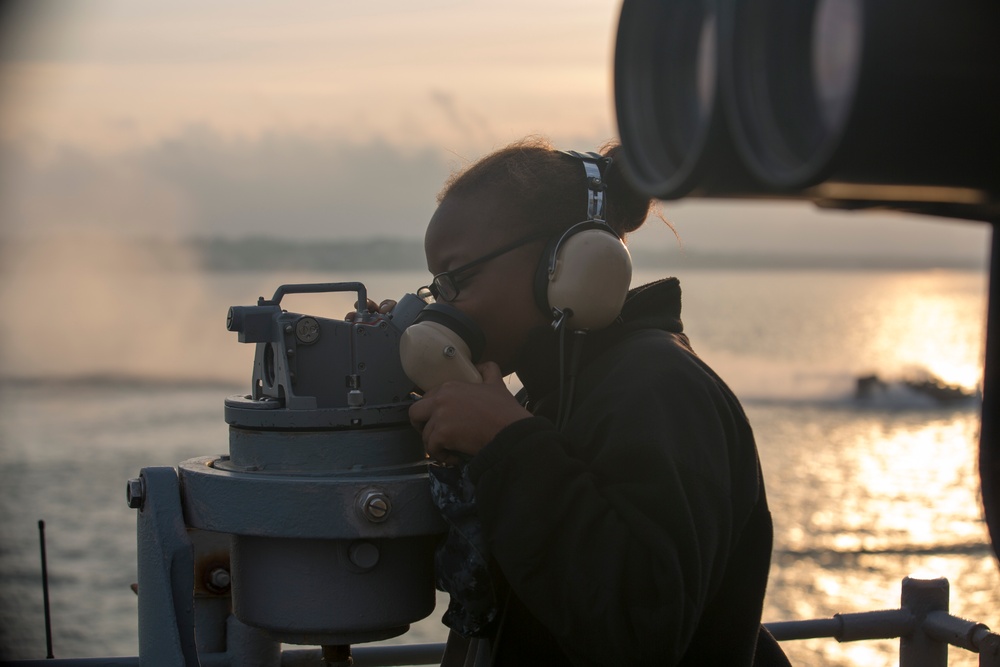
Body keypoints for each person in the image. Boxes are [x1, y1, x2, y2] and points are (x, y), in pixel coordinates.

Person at [402, 137, 775, 666]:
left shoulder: (662, 389)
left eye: (457, 280)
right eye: (437, 290)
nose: (446, 310)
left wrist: (508, 444)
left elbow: (641, 627)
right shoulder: (545, 395)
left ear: (568, 261)